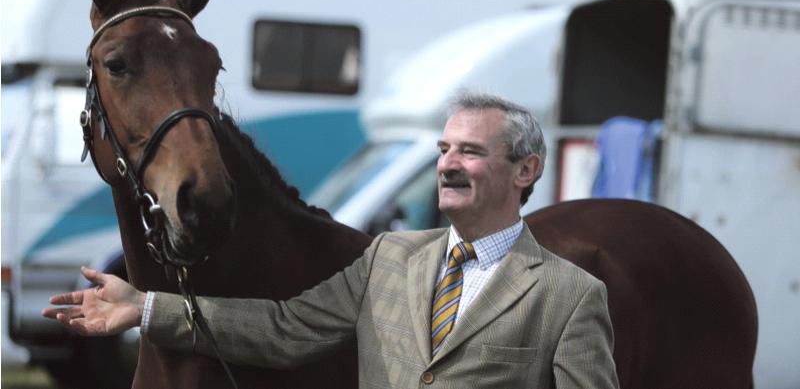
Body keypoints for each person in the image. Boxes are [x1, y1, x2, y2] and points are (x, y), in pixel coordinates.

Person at [44, 91, 620, 388]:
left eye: (470, 151)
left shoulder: (572, 297)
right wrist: (144, 308)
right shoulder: (389, 258)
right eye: (444, 150)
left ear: (526, 171)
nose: (448, 165)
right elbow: (282, 329)